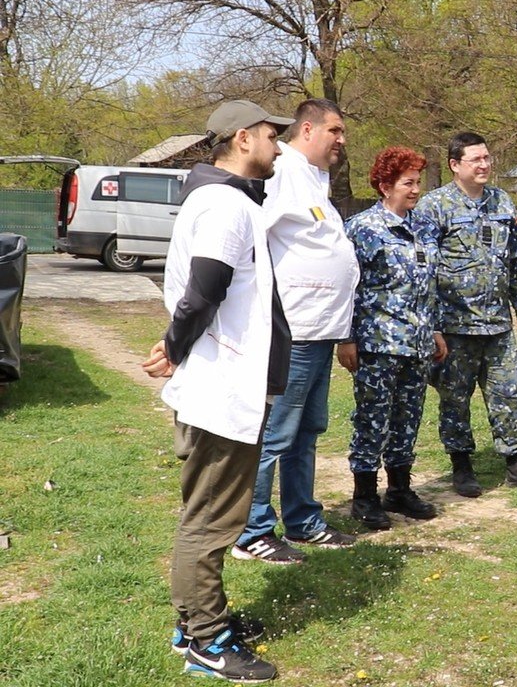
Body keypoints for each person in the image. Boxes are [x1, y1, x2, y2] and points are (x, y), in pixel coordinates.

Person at [141, 99, 294, 682]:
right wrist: (176, 346)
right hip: (223, 390)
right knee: (211, 520)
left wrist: (178, 344)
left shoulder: (221, 201)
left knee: (206, 512)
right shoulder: (227, 205)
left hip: (223, 384)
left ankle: (198, 618)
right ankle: (205, 639)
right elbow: (205, 288)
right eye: (270, 135)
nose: (277, 145)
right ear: (241, 138)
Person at [233, 98, 360, 565]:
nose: (342, 140)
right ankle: (252, 530)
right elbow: (251, 237)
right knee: (277, 433)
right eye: (336, 130)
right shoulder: (282, 171)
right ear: (308, 129)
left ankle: (304, 520)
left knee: (308, 429)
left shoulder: (314, 178)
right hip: (296, 327)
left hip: (322, 329)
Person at [414, 132, 517, 497]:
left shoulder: (501, 201)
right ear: (454, 165)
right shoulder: (435, 206)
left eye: (487, 158)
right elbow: (424, 269)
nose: (484, 165)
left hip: (497, 325)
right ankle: (462, 466)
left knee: (509, 394)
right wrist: (430, 326)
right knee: (455, 399)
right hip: (455, 326)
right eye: (476, 159)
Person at [338, 147, 447, 530]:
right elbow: (348, 286)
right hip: (377, 344)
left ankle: (399, 489)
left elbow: (429, 286)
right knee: (372, 421)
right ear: (385, 186)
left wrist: (434, 330)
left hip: (416, 344)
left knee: (408, 420)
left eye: (418, 182)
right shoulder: (362, 229)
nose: (416, 190)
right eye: (408, 183)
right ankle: (364, 496)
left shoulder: (424, 227)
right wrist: (346, 337)